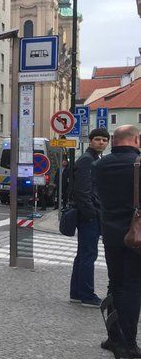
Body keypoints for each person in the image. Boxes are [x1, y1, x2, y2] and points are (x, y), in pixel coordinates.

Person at [96, 125, 141, 357]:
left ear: (114, 141)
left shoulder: (99, 165)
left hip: (110, 234)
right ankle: (128, 343)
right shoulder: (138, 163)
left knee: (115, 284)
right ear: (135, 139)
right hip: (136, 235)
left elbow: (96, 196)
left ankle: (113, 337)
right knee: (133, 286)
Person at [68, 128, 110, 306]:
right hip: (88, 216)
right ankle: (87, 295)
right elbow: (82, 191)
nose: (101, 142)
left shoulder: (94, 158)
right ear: (91, 141)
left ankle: (77, 293)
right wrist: (91, 214)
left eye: (104, 140)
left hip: (89, 214)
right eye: (98, 139)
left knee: (83, 254)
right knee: (88, 255)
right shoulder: (87, 160)